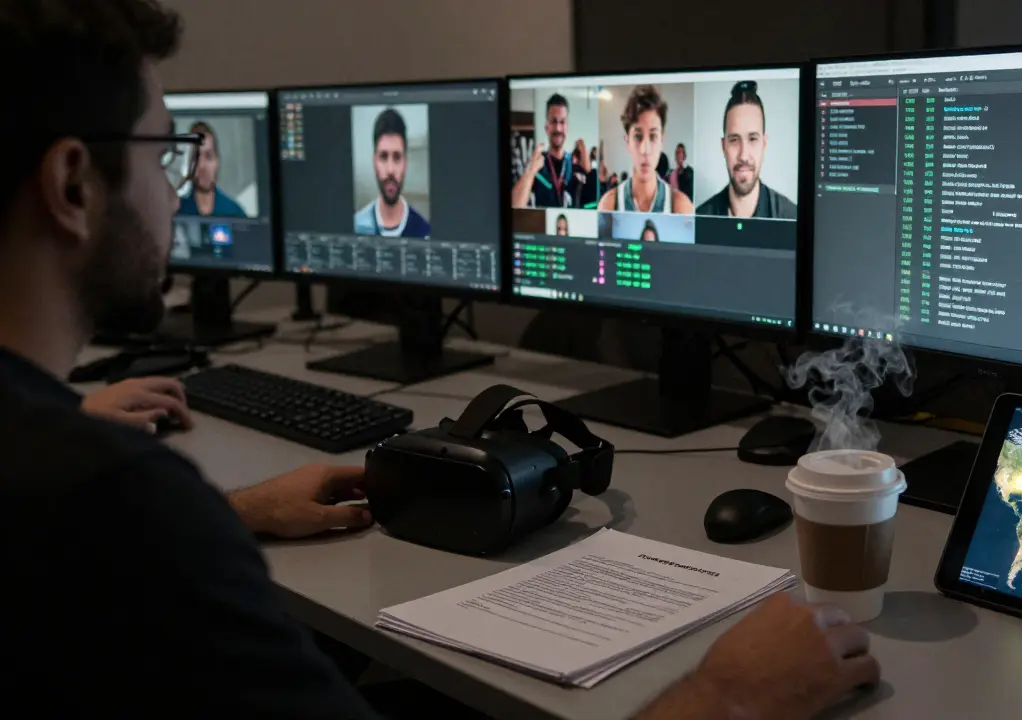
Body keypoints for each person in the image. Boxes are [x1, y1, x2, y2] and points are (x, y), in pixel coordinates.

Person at [0, 4, 881, 715]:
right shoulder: (115, 505)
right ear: (73, 185)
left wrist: (232, 513)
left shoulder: (81, 484)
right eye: (166, 151)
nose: (170, 185)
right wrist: (729, 697)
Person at [697, 81, 798, 219]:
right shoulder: (701, 218)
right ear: (723, 146)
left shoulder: (791, 217)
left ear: (764, 144)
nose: (743, 155)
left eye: (752, 139)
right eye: (734, 140)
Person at [598, 85, 694, 214]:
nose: (645, 150)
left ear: (662, 141)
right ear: (627, 141)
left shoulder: (682, 208)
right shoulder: (608, 206)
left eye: (653, 136)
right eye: (638, 137)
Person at [512, 94, 604, 209]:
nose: (558, 128)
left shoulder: (576, 167)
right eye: (554, 121)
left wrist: (590, 172)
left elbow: (593, 209)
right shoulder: (538, 167)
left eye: (562, 122)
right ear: (547, 127)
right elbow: (516, 205)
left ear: (567, 126)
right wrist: (531, 171)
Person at [353, 108, 430, 238]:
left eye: (397, 157)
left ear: (405, 163)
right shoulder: (356, 226)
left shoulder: (424, 232)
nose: (390, 170)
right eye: (383, 157)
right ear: (374, 161)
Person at [177, 121, 247, 218]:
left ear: (217, 161)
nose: (202, 166)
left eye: (208, 156)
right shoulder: (178, 212)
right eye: (195, 157)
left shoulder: (235, 213)